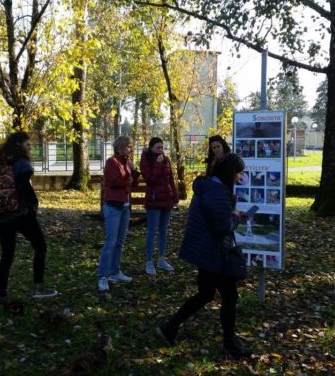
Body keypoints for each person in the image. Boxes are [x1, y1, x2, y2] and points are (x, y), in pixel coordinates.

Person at [157, 153, 253, 359]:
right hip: (213, 252)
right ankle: (230, 343)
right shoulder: (218, 192)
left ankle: (169, 327)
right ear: (230, 173)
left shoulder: (207, 186)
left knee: (206, 294)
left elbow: (215, 218)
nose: (239, 177)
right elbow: (222, 227)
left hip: (202, 249)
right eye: (239, 173)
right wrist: (235, 217)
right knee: (230, 296)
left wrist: (232, 214)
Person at [0, 131, 57, 302]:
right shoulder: (22, 162)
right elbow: (24, 185)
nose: (30, 147)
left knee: (7, 254)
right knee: (40, 246)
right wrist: (34, 203)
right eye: (28, 144)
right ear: (20, 145)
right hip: (21, 213)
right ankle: (38, 287)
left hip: (3, 214)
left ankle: (1, 295)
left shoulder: (0, 161)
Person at [97, 135, 140, 292]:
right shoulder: (112, 162)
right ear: (121, 147)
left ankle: (114, 272)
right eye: (129, 146)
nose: (131, 148)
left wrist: (133, 170)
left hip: (125, 206)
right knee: (111, 241)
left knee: (120, 241)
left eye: (131, 146)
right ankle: (102, 276)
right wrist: (128, 177)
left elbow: (133, 184)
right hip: (113, 206)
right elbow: (116, 182)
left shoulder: (126, 162)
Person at [140, 137, 179, 276]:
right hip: (154, 200)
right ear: (151, 148)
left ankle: (161, 259)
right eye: (158, 147)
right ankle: (149, 261)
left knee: (164, 230)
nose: (160, 150)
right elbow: (150, 179)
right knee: (152, 231)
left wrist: (175, 197)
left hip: (167, 200)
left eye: (162, 147)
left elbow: (171, 179)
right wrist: (157, 164)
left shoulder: (166, 159)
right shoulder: (146, 159)